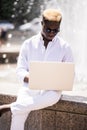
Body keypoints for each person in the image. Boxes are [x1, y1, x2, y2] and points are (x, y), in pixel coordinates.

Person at [0, 8, 74, 130]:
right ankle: (13, 108)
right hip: (29, 87)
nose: (51, 33)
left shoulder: (65, 47)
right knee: (18, 115)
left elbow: (70, 75)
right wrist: (31, 78)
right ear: (42, 24)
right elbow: (20, 70)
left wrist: (60, 83)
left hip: (52, 91)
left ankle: (7, 108)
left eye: (56, 30)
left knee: (51, 97)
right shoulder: (28, 44)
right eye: (48, 29)